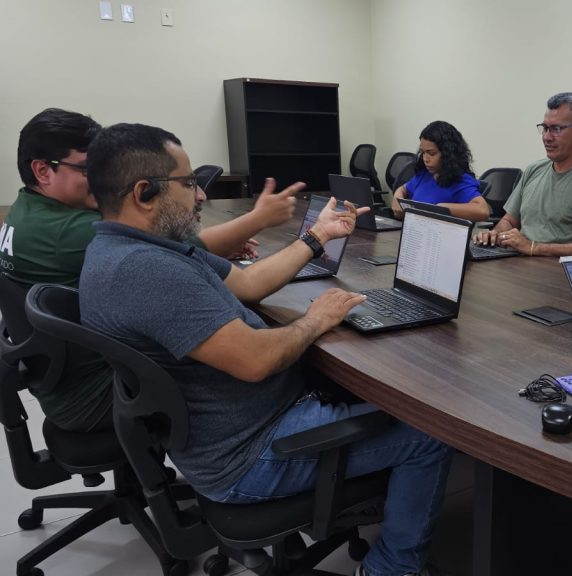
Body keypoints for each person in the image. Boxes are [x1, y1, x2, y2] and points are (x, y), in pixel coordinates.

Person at [79, 123, 452, 576]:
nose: (200, 195)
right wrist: (316, 318)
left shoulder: (134, 248)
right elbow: (256, 360)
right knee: (432, 431)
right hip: (252, 454)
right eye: (189, 183)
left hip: (229, 431)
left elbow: (249, 283)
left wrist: (317, 237)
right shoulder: (146, 271)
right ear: (144, 193)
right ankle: (392, 568)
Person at [0, 108, 297, 432]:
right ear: (43, 170)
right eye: (88, 168)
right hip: (99, 391)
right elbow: (186, 246)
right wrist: (259, 218)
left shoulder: (24, 212)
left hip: (64, 381)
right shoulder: (71, 233)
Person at [472, 92, 572, 256]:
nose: (547, 137)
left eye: (556, 129)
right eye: (545, 128)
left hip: (555, 269)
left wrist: (534, 247)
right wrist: (495, 234)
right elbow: (509, 221)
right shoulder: (534, 170)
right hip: (516, 263)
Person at [390, 120, 489, 222]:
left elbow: (483, 211)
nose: (425, 159)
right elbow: (403, 189)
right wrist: (397, 197)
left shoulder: (460, 180)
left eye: (432, 153)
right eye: (423, 153)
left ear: (448, 154)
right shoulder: (424, 175)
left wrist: (441, 208)